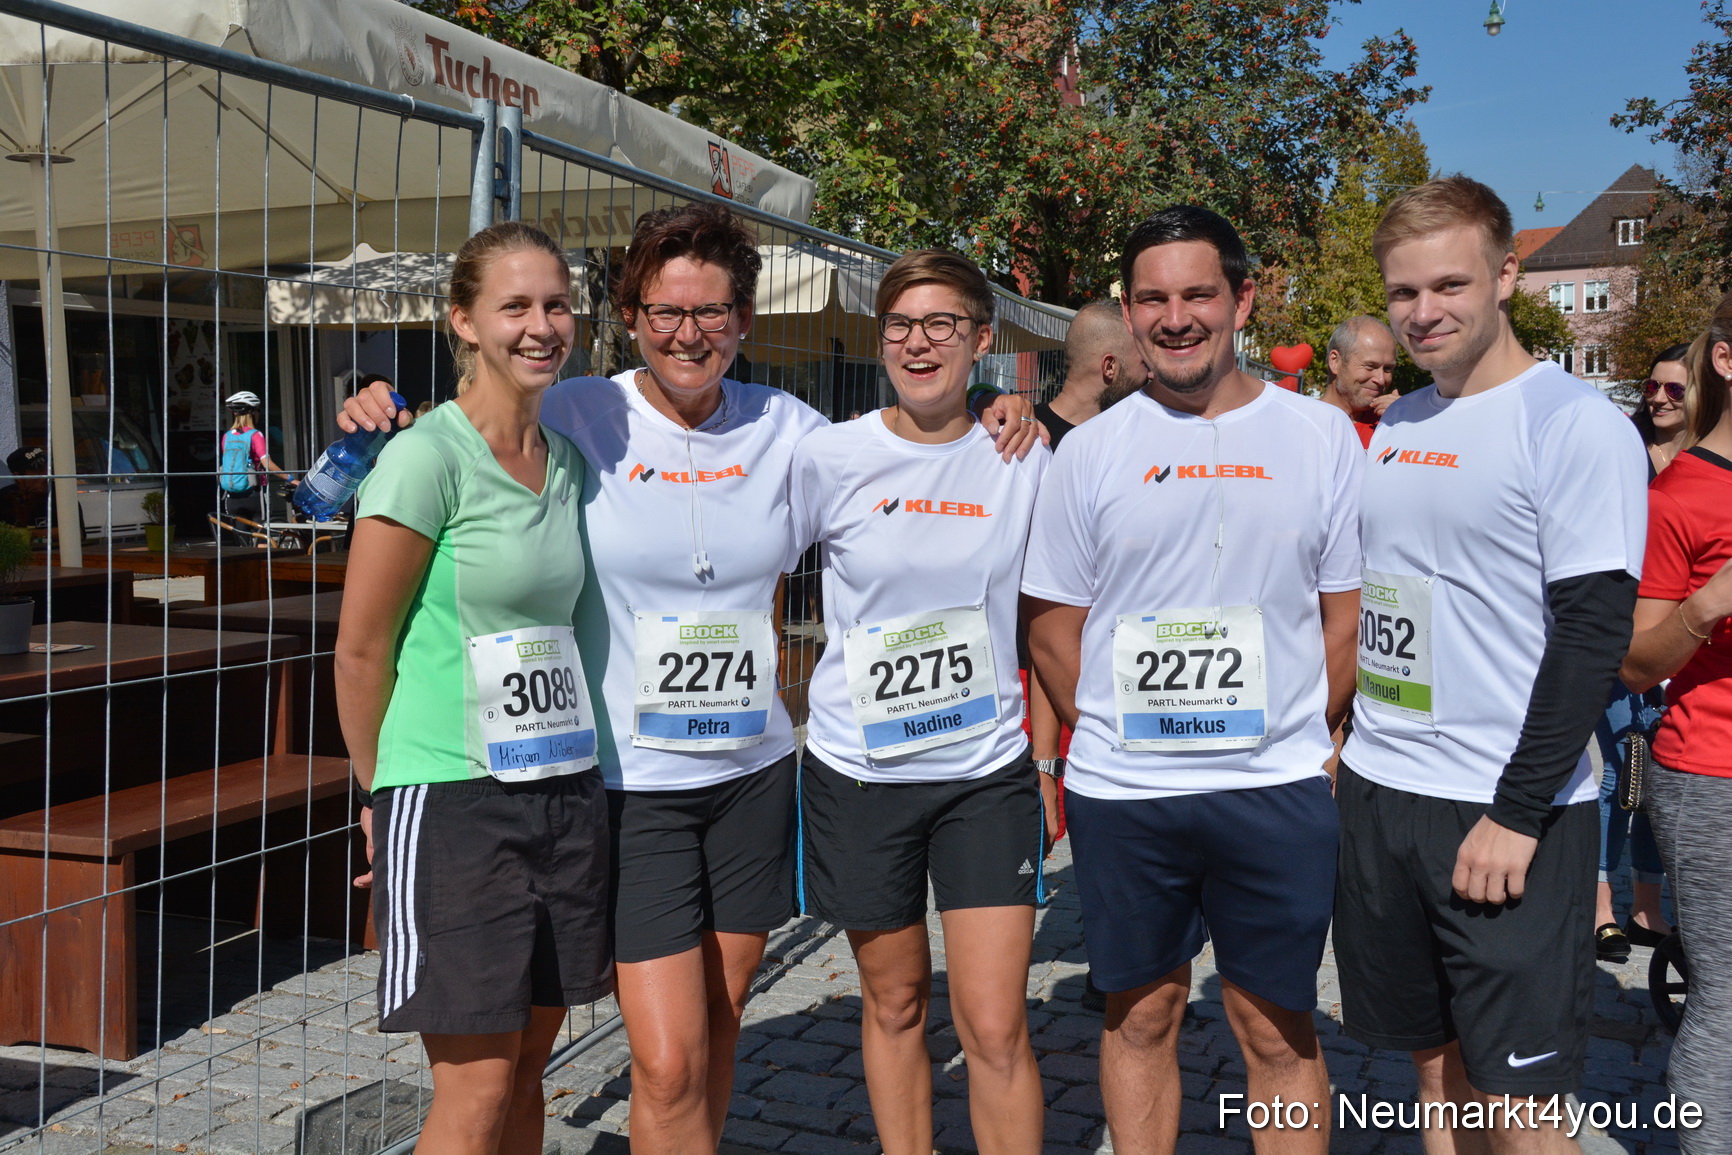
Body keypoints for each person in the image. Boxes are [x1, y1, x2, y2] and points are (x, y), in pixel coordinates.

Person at [336, 204, 1041, 1155]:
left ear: (744, 323)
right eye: (666, 312)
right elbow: (476, 422)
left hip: (752, 777)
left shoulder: (793, 431)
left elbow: (902, 457)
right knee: (663, 1060)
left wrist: (1008, 406)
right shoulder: (586, 409)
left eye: (713, 313)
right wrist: (380, 405)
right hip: (633, 786)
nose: (688, 333)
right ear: (630, 318)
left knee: (717, 1032)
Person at [1024, 206, 1362, 1155]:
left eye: (1198, 294)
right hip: (1129, 793)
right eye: (1154, 299)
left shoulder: (1321, 438)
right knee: (1140, 1016)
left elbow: (1347, 616)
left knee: (1275, 1026)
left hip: (1275, 785)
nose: (1177, 318)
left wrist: (1311, 730)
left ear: (1241, 298)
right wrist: (1132, 725)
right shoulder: (1088, 451)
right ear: (1128, 316)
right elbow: (1051, 625)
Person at [1336, 176, 1646, 1155]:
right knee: (1435, 1072)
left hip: (1506, 809)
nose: (1424, 312)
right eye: (1402, 293)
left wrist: (1514, 812)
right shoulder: (1398, 424)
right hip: (1386, 794)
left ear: (1506, 274)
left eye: (1448, 285)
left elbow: (1592, 635)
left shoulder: (1571, 423)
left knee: (1519, 1111)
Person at [334, 220, 611, 1155]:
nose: (542, 325)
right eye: (516, 306)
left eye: (558, 304)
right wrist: (381, 795)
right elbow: (361, 652)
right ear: (463, 320)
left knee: (530, 1067)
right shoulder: (424, 459)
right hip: (453, 798)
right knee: (477, 1093)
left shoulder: (567, 462)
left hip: (559, 793)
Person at [792, 249, 1048, 1155]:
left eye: (943, 323)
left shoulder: (1022, 452)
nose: (918, 341)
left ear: (982, 339)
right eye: (900, 324)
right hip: (860, 772)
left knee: (993, 1022)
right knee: (896, 1001)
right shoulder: (832, 455)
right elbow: (750, 570)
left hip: (983, 774)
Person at [1618, 294, 1732, 1155]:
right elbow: (1635, 662)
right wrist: (1709, 606)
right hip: (1712, 774)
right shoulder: (1679, 494)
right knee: (1727, 1001)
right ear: (1724, 361)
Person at [1591, 344, 1691, 963]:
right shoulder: (1625, 454)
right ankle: (1601, 904)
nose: (1657, 397)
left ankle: (1647, 905)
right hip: (1621, 634)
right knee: (1616, 771)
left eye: (1673, 390)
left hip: (1685, 640)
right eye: (1652, 386)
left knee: (1660, 780)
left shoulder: (1709, 462)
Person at [1033, 299, 1148, 444]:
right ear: (1109, 367)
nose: (1150, 374)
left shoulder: (1129, 439)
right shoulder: (1021, 435)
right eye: (1144, 362)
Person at [218, 390, 295, 534]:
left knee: (242, 540)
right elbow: (268, 464)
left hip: (231, 497)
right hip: (255, 495)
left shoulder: (227, 436)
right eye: (257, 410)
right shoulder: (255, 435)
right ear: (252, 413)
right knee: (262, 537)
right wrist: (290, 479)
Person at [1319, 315, 1398, 448]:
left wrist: (1409, 425)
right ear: (1335, 361)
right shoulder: (1301, 424)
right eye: (1370, 366)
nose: (1381, 379)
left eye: (1388, 369)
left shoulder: (1393, 424)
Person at [1633, 344, 1693, 478]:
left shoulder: (1717, 456)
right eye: (1652, 386)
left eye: (1674, 390)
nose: (1659, 399)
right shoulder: (1626, 444)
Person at [0, 445, 49, 527]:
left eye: (48, 468)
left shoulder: (59, 494)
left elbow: (75, 531)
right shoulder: (4, 498)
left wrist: (26, 533)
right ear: (18, 477)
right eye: (38, 470)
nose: (47, 474)